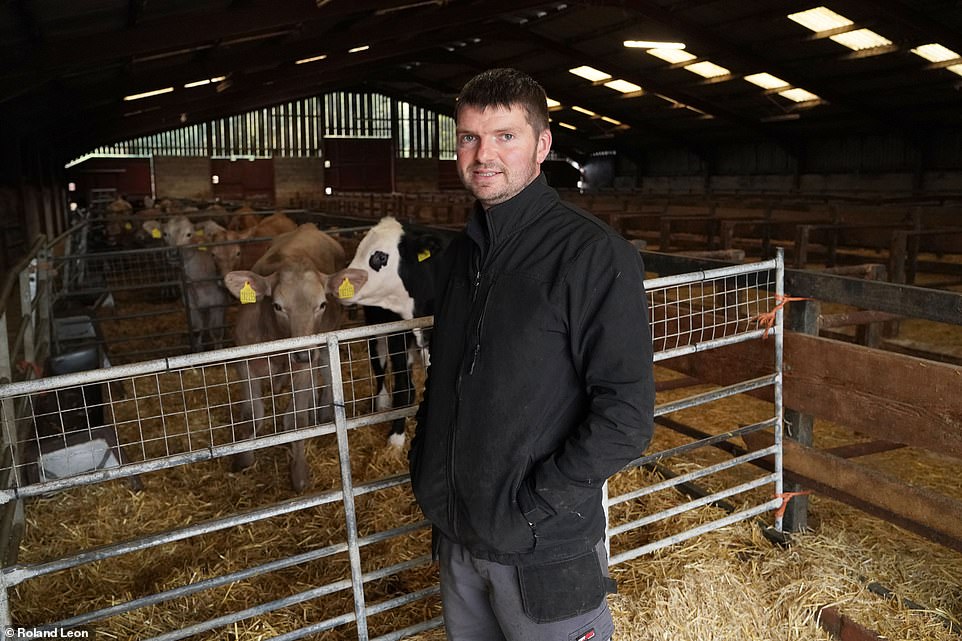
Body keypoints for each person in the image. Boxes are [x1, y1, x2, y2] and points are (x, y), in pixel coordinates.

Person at [408, 68, 655, 641]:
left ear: (542, 145)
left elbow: (626, 416)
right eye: (470, 137)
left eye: (505, 136)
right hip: (457, 537)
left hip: (543, 551)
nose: (483, 154)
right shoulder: (461, 256)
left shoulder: (591, 255)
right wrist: (428, 471)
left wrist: (536, 505)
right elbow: (445, 379)